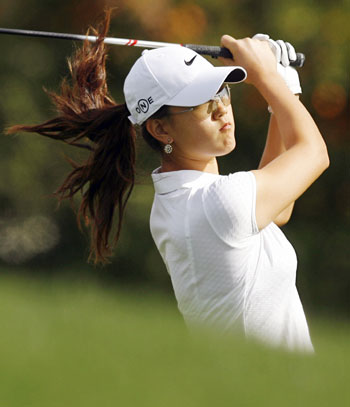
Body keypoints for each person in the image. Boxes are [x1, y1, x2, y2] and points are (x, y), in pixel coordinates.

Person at [8, 11, 329, 352]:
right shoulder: (216, 204)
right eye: (201, 103)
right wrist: (268, 78)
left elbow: (279, 210)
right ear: (160, 129)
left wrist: (284, 85)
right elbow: (315, 153)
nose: (221, 107)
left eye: (222, 91)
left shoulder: (184, 200)